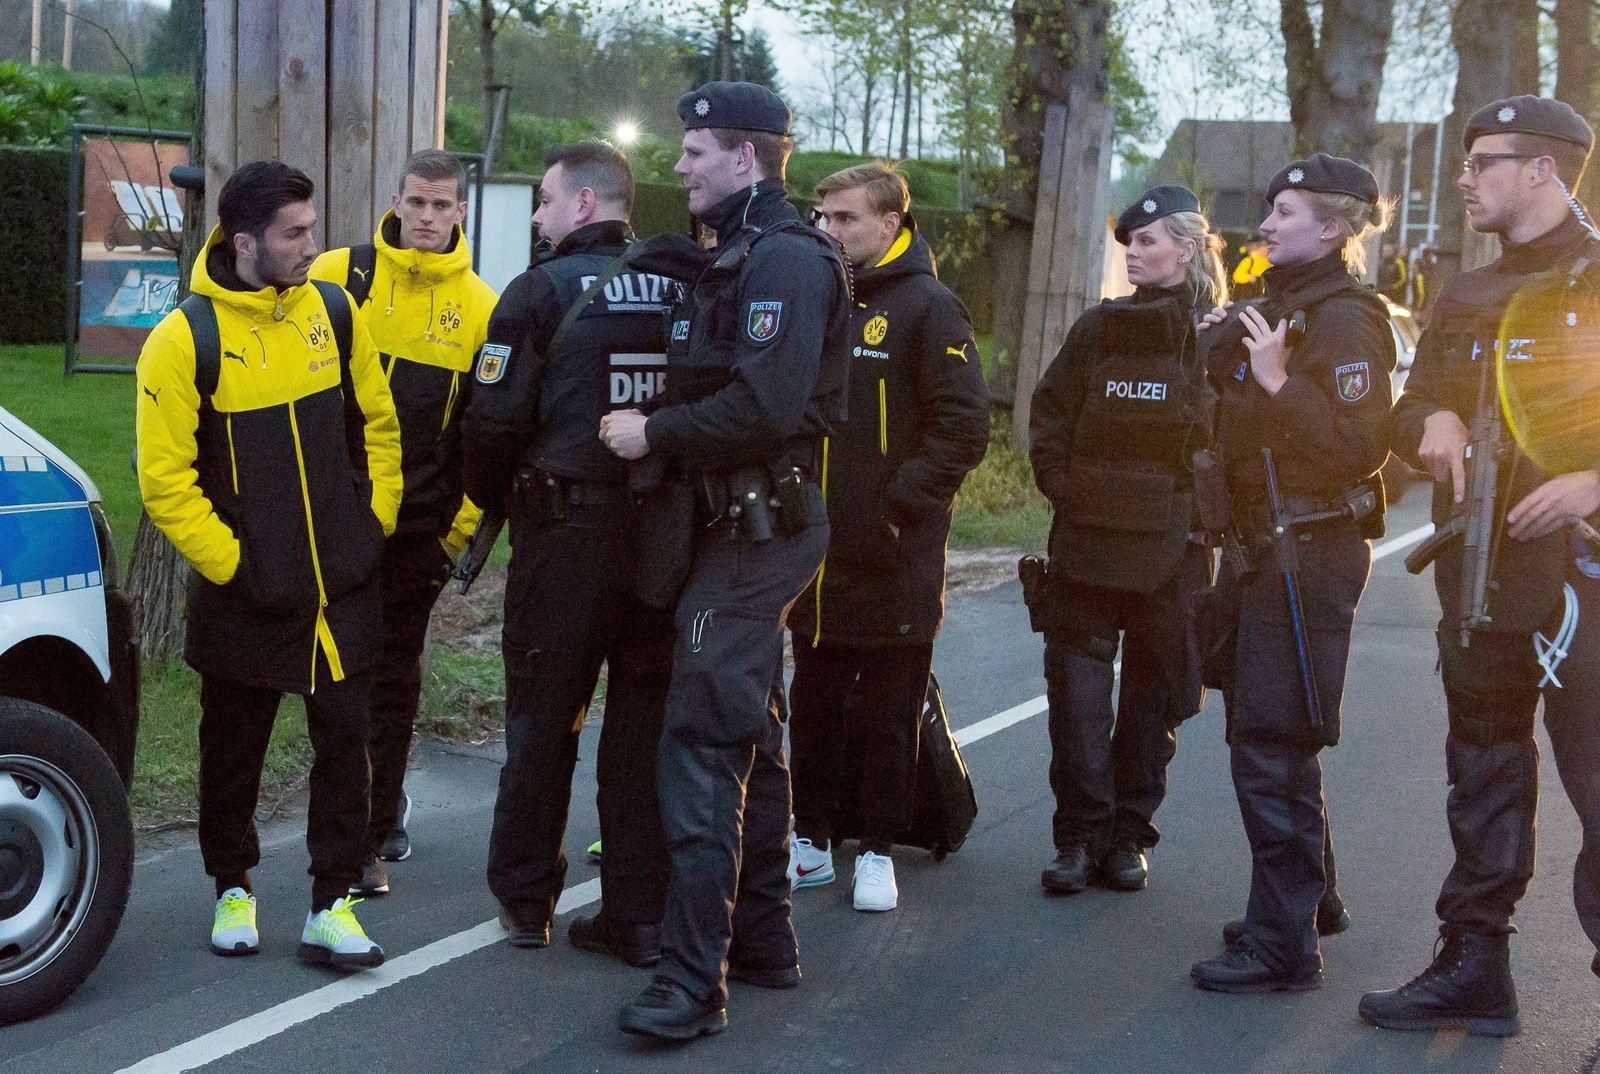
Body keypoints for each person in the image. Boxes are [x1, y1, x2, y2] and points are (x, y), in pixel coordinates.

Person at [599, 80, 849, 1040]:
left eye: (695, 151)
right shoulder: (739, 254)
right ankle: (763, 939)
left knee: (701, 745)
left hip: (758, 531)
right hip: (735, 525)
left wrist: (650, 432)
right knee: (754, 729)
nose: (680, 166)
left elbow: (765, 408)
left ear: (744, 157)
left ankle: (691, 985)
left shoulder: (786, 258)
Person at [1361, 95, 1600, 1038]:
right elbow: (1408, 401)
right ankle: (1473, 968)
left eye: (1483, 161)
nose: (1463, 177)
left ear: (1543, 168)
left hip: (1583, 578)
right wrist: (1433, 420)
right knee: (1483, 772)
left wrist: (1592, 481)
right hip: (1483, 571)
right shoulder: (1464, 291)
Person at [136, 161, 402, 971]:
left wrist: (373, 525)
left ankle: (332, 903)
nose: (312, 245)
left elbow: (379, 426)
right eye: (295, 233)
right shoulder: (184, 339)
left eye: (312, 228)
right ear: (244, 241)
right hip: (246, 594)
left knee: (347, 740)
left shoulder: (334, 308)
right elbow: (164, 483)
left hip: (342, 587)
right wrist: (239, 567)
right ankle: (233, 885)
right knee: (233, 748)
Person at [460, 141, 678, 965]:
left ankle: (526, 901)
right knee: (641, 731)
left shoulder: (538, 290)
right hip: (659, 537)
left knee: (544, 722)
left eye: (547, 203)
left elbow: (491, 422)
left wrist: (493, 501)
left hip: (565, 538)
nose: (540, 218)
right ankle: (637, 910)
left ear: (585, 205)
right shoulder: (682, 285)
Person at [1187, 153, 1395, 994]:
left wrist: (1277, 383)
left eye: (1285, 212)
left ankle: (1283, 947)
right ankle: (1309, 903)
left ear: (1335, 227)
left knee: (1271, 745)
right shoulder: (1279, 305)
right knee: (1268, 730)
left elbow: (1363, 444)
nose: (1265, 223)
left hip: (1307, 546)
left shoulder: (1347, 320)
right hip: (1257, 545)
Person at [784, 162, 989, 912]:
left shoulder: (930, 307)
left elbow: (965, 426)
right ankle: (809, 840)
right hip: (814, 548)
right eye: (822, 217)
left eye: (846, 220)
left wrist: (897, 507)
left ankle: (876, 849)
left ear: (891, 224)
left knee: (888, 708)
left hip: (895, 553)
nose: (829, 232)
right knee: (814, 699)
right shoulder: (816, 298)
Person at [309, 149, 496, 895]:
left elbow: (487, 436)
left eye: (440, 206)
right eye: (415, 202)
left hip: (417, 531)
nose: (425, 217)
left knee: (390, 685)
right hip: (335, 519)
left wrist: (458, 532)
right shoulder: (336, 275)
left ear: (460, 213)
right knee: (330, 680)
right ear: (394, 200)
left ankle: (373, 833)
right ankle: (338, 823)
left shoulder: (483, 307)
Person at [1025, 185, 1219, 898]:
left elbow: (1226, 438)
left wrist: (1191, 514)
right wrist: (1065, 490)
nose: (1134, 254)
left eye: (1148, 242)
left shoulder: (1216, 334)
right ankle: (1078, 838)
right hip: (1086, 543)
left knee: (1152, 702)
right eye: (1129, 244)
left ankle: (1129, 839)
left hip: (1174, 552)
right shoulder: (1098, 329)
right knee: (1076, 699)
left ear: (1187, 246)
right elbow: (1049, 415)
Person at [1231, 235, 1271, 300]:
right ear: (1258, 249)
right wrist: (1249, 277)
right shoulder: (1249, 260)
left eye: (1267, 248)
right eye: (1263, 248)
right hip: (1249, 295)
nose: (1265, 250)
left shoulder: (1270, 261)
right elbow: (1236, 276)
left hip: (1265, 295)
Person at [1377, 239, 1409, 305]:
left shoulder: (1399, 263)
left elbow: (1403, 279)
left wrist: (1393, 287)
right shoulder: (1380, 264)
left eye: (1388, 251)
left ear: (1392, 251)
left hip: (1395, 296)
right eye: (1384, 251)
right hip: (1382, 293)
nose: (1385, 253)